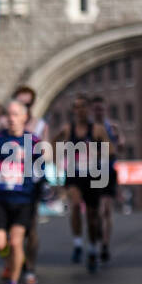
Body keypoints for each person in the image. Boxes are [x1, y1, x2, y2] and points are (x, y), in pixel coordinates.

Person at [0, 100, 47, 284]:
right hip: (0, 199)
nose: (11, 118)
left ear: (24, 117)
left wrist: (40, 188)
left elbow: (39, 170)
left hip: (23, 199)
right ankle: (13, 260)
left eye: (16, 114)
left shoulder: (33, 141)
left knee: (17, 241)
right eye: (9, 114)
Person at [51, 95, 111, 273]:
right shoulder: (68, 129)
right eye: (77, 107)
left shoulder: (97, 130)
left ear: (88, 109)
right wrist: (58, 159)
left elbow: (110, 149)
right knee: (75, 206)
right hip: (73, 175)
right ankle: (78, 244)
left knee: (93, 217)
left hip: (93, 175)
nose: (80, 110)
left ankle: (92, 249)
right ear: (73, 111)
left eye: (83, 107)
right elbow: (54, 142)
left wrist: (97, 155)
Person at [12, 85, 47, 284]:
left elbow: (45, 152)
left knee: (30, 226)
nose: (24, 106)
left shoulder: (39, 125)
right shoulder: (5, 122)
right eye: (20, 102)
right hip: (7, 180)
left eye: (28, 103)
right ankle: (14, 263)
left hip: (30, 179)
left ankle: (30, 267)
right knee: (10, 228)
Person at [89, 95, 120, 259]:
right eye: (95, 109)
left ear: (105, 110)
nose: (98, 112)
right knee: (96, 211)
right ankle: (97, 234)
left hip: (108, 171)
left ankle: (105, 245)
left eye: (101, 109)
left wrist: (118, 140)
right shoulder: (88, 128)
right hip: (92, 172)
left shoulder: (112, 127)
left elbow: (119, 147)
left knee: (107, 209)